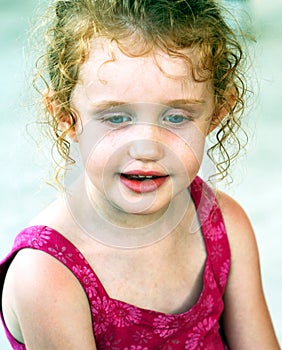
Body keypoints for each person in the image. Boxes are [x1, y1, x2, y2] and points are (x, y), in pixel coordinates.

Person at [0, 0, 280, 349]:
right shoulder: (46, 276)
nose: (147, 149)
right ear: (65, 116)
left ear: (217, 112)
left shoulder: (224, 225)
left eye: (176, 117)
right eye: (116, 117)